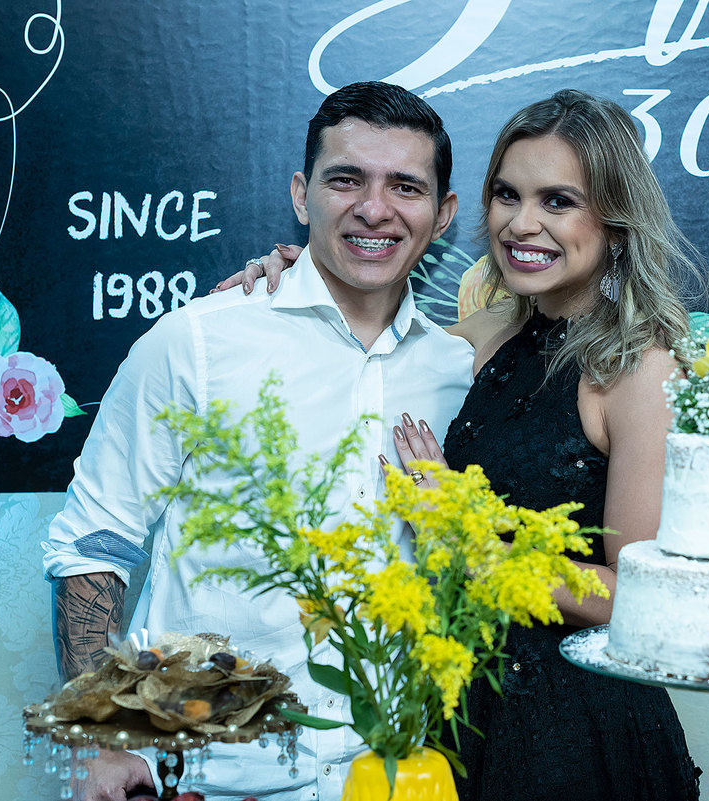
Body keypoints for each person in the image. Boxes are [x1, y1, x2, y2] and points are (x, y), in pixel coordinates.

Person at [220, 88, 704, 801]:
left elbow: (644, 595)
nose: (521, 223)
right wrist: (299, 274)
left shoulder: (638, 368)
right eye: (507, 195)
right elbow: (362, 333)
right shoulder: (482, 337)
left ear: (615, 219)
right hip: (460, 717)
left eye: (558, 201)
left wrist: (468, 541)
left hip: (577, 730)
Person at [43, 81, 474, 801]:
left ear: (443, 214)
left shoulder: (458, 372)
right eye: (346, 180)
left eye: (405, 186)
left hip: (393, 775)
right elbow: (93, 544)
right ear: (302, 196)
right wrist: (99, 733)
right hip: (209, 774)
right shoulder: (197, 341)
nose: (375, 208)